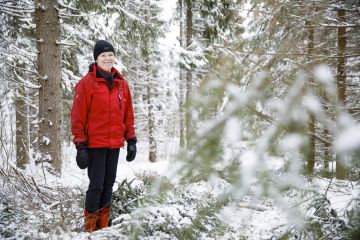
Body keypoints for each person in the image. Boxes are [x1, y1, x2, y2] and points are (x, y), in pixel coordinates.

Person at [71, 40, 137, 232]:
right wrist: (81, 146)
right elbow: (77, 117)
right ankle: (90, 230)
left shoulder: (121, 84)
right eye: (103, 56)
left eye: (110, 55)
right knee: (96, 185)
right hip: (95, 145)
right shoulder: (86, 84)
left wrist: (131, 140)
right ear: (96, 59)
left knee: (108, 185)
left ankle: (103, 229)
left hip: (114, 144)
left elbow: (128, 114)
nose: (108, 59)